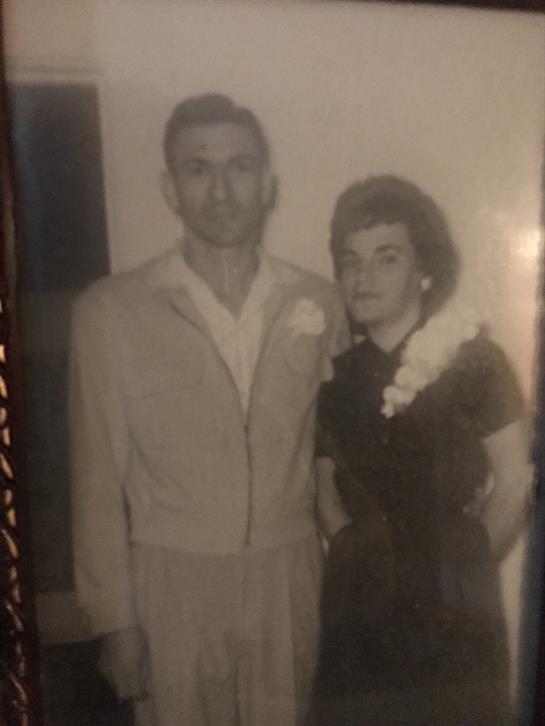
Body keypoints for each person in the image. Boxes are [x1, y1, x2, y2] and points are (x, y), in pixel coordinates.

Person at [69, 93, 349, 726]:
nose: (221, 191)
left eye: (240, 166)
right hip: (171, 584)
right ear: (170, 190)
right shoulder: (109, 312)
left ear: (267, 184)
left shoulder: (321, 302)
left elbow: (341, 456)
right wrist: (115, 621)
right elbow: (95, 482)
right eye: (198, 169)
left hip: (289, 577)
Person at [313, 175, 532, 725]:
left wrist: (462, 564)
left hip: (455, 611)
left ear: (425, 268)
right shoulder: (334, 380)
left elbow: (515, 481)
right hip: (359, 611)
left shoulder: (477, 362)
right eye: (350, 260)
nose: (362, 277)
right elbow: (324, 491)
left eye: (386, 258)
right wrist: (360, 558)